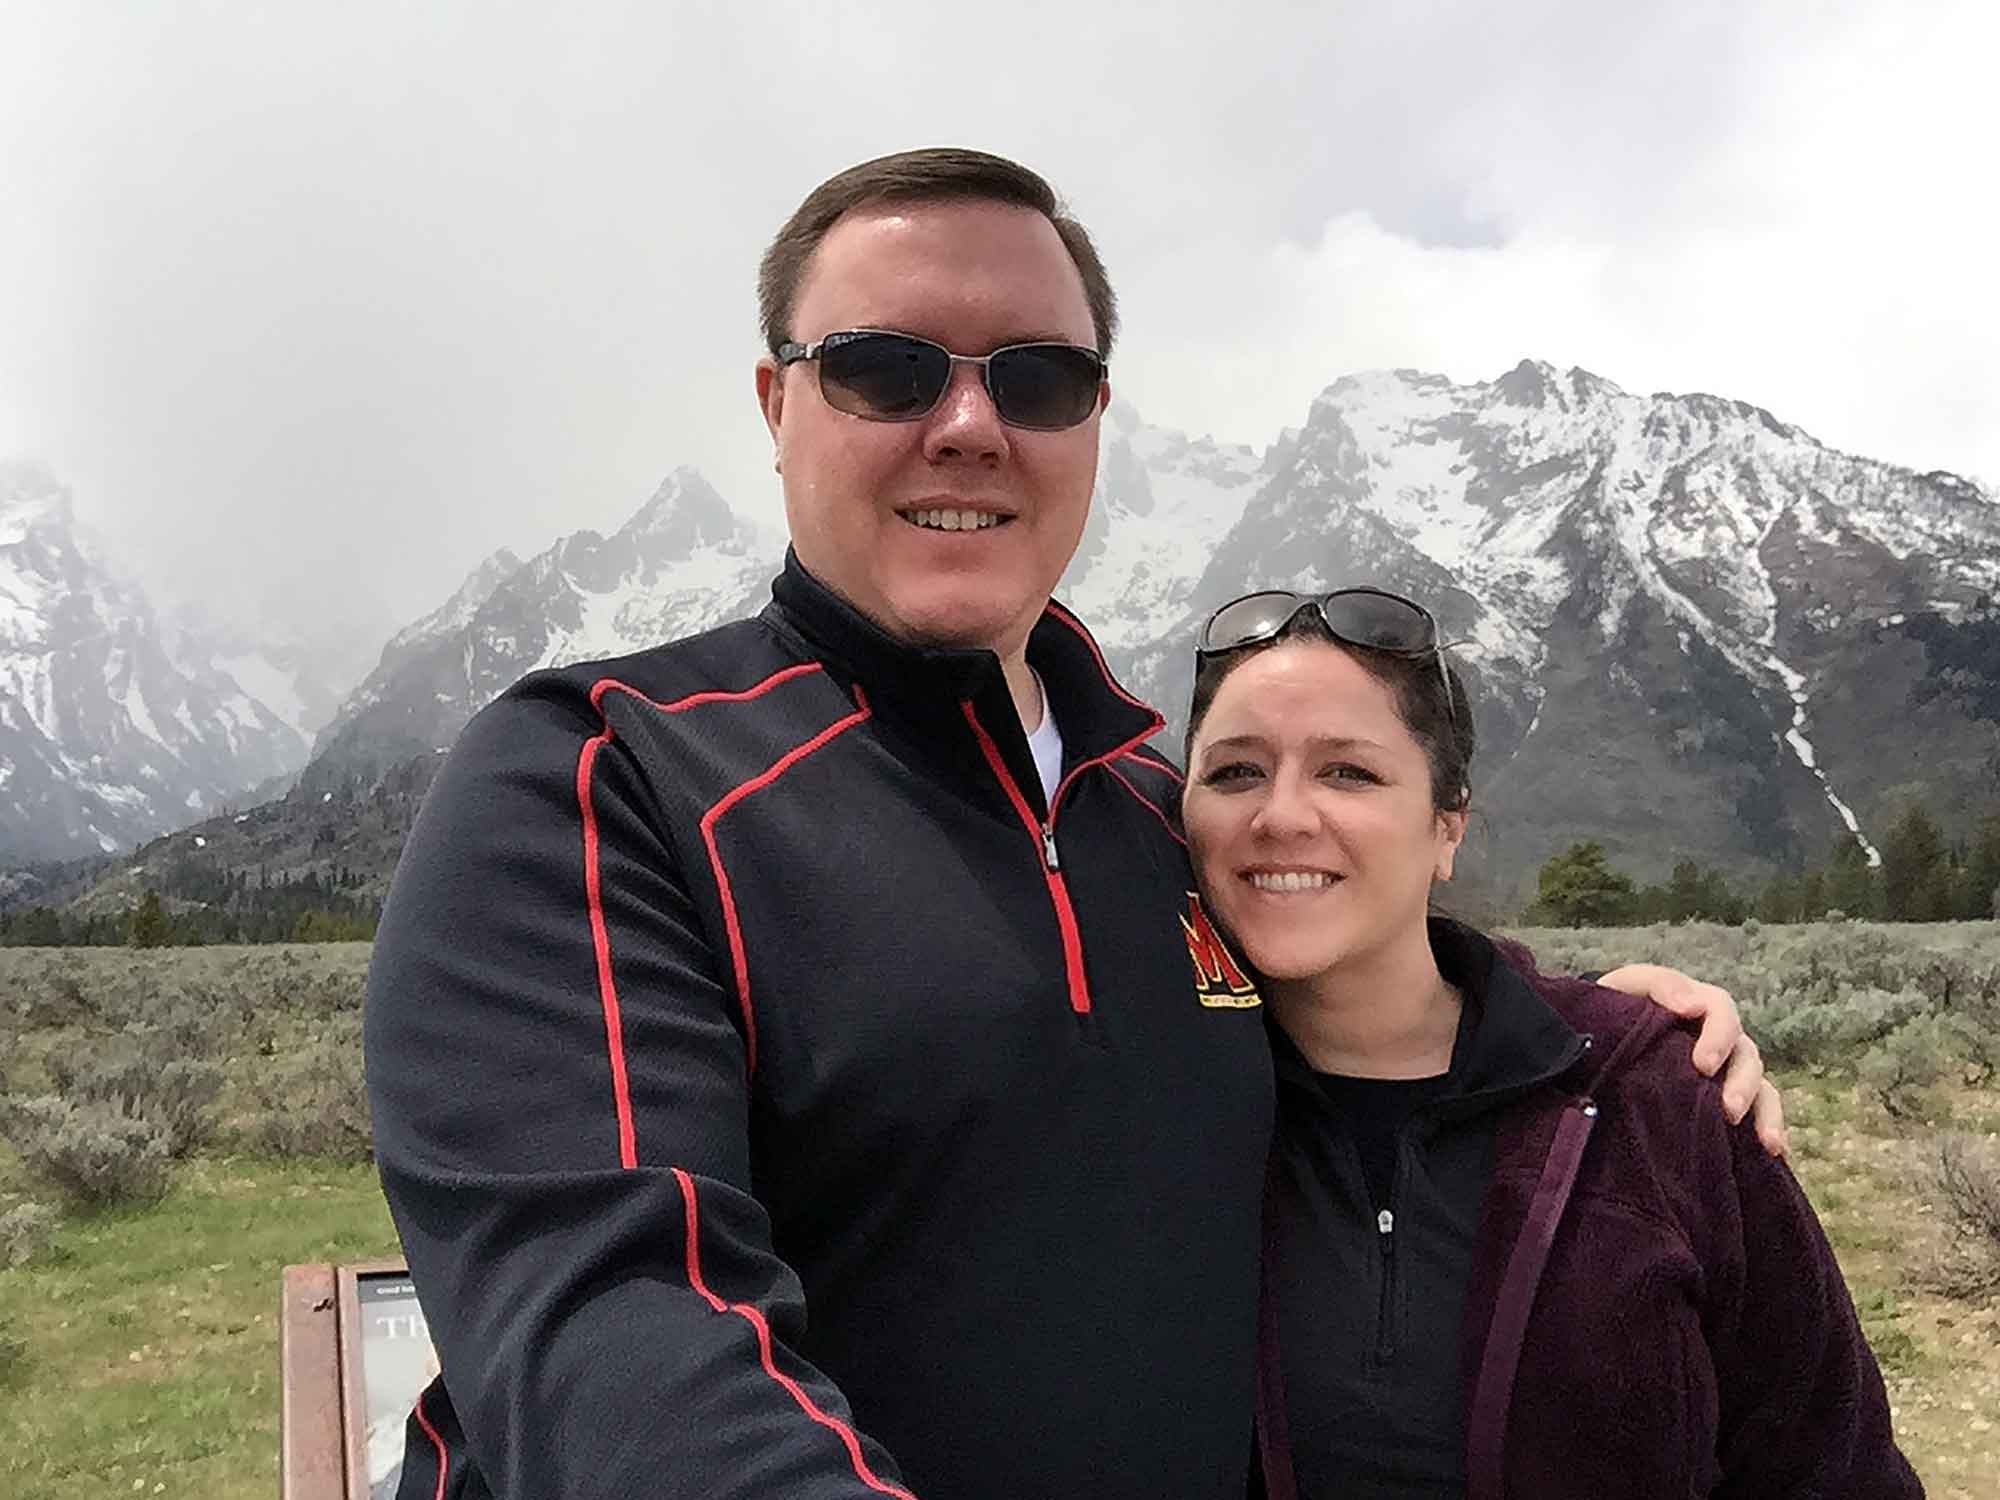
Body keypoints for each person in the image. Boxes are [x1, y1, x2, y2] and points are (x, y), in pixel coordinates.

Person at [364, 148, 1780, 1500]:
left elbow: (1365, 985)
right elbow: (623, 1356)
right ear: (775, 403)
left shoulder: (1163, 817)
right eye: (882, 367)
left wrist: (1601, 1032)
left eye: (1036, 378)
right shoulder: (604, 776)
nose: (967, 426)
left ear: (1094, 418)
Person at [1177, 587, 1918, 1499]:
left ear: (1447, 825)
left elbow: (1830, 1464)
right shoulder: (1158, 1101)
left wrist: (1614, 1030)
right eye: (1235, 772)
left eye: (1349, 773)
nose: (1282, 815)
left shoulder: (1656, 1098)